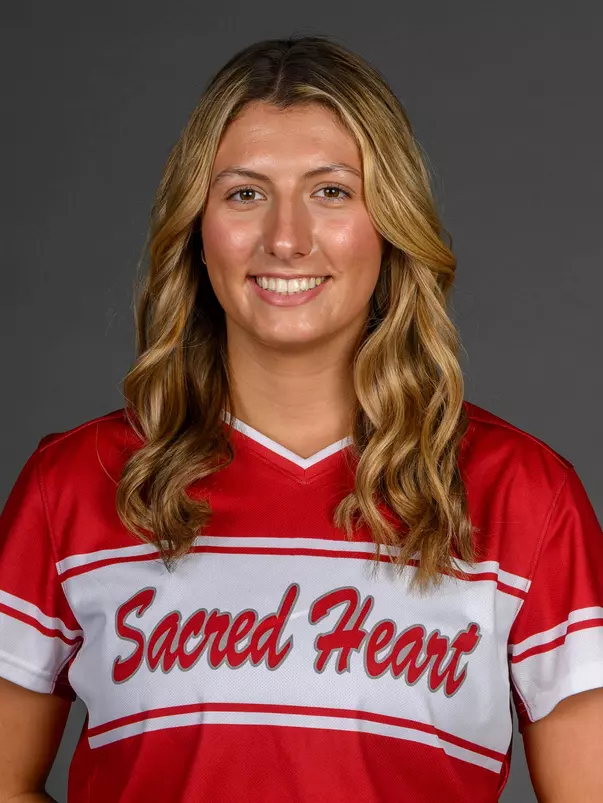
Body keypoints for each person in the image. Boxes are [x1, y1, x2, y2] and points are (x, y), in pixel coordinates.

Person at [0, 34, 601, 803]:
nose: (285, 239)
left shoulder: (522, 497)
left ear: (390, 222)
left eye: (332, 191)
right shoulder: (71, 486)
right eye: (244, 194)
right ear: (197, 226)